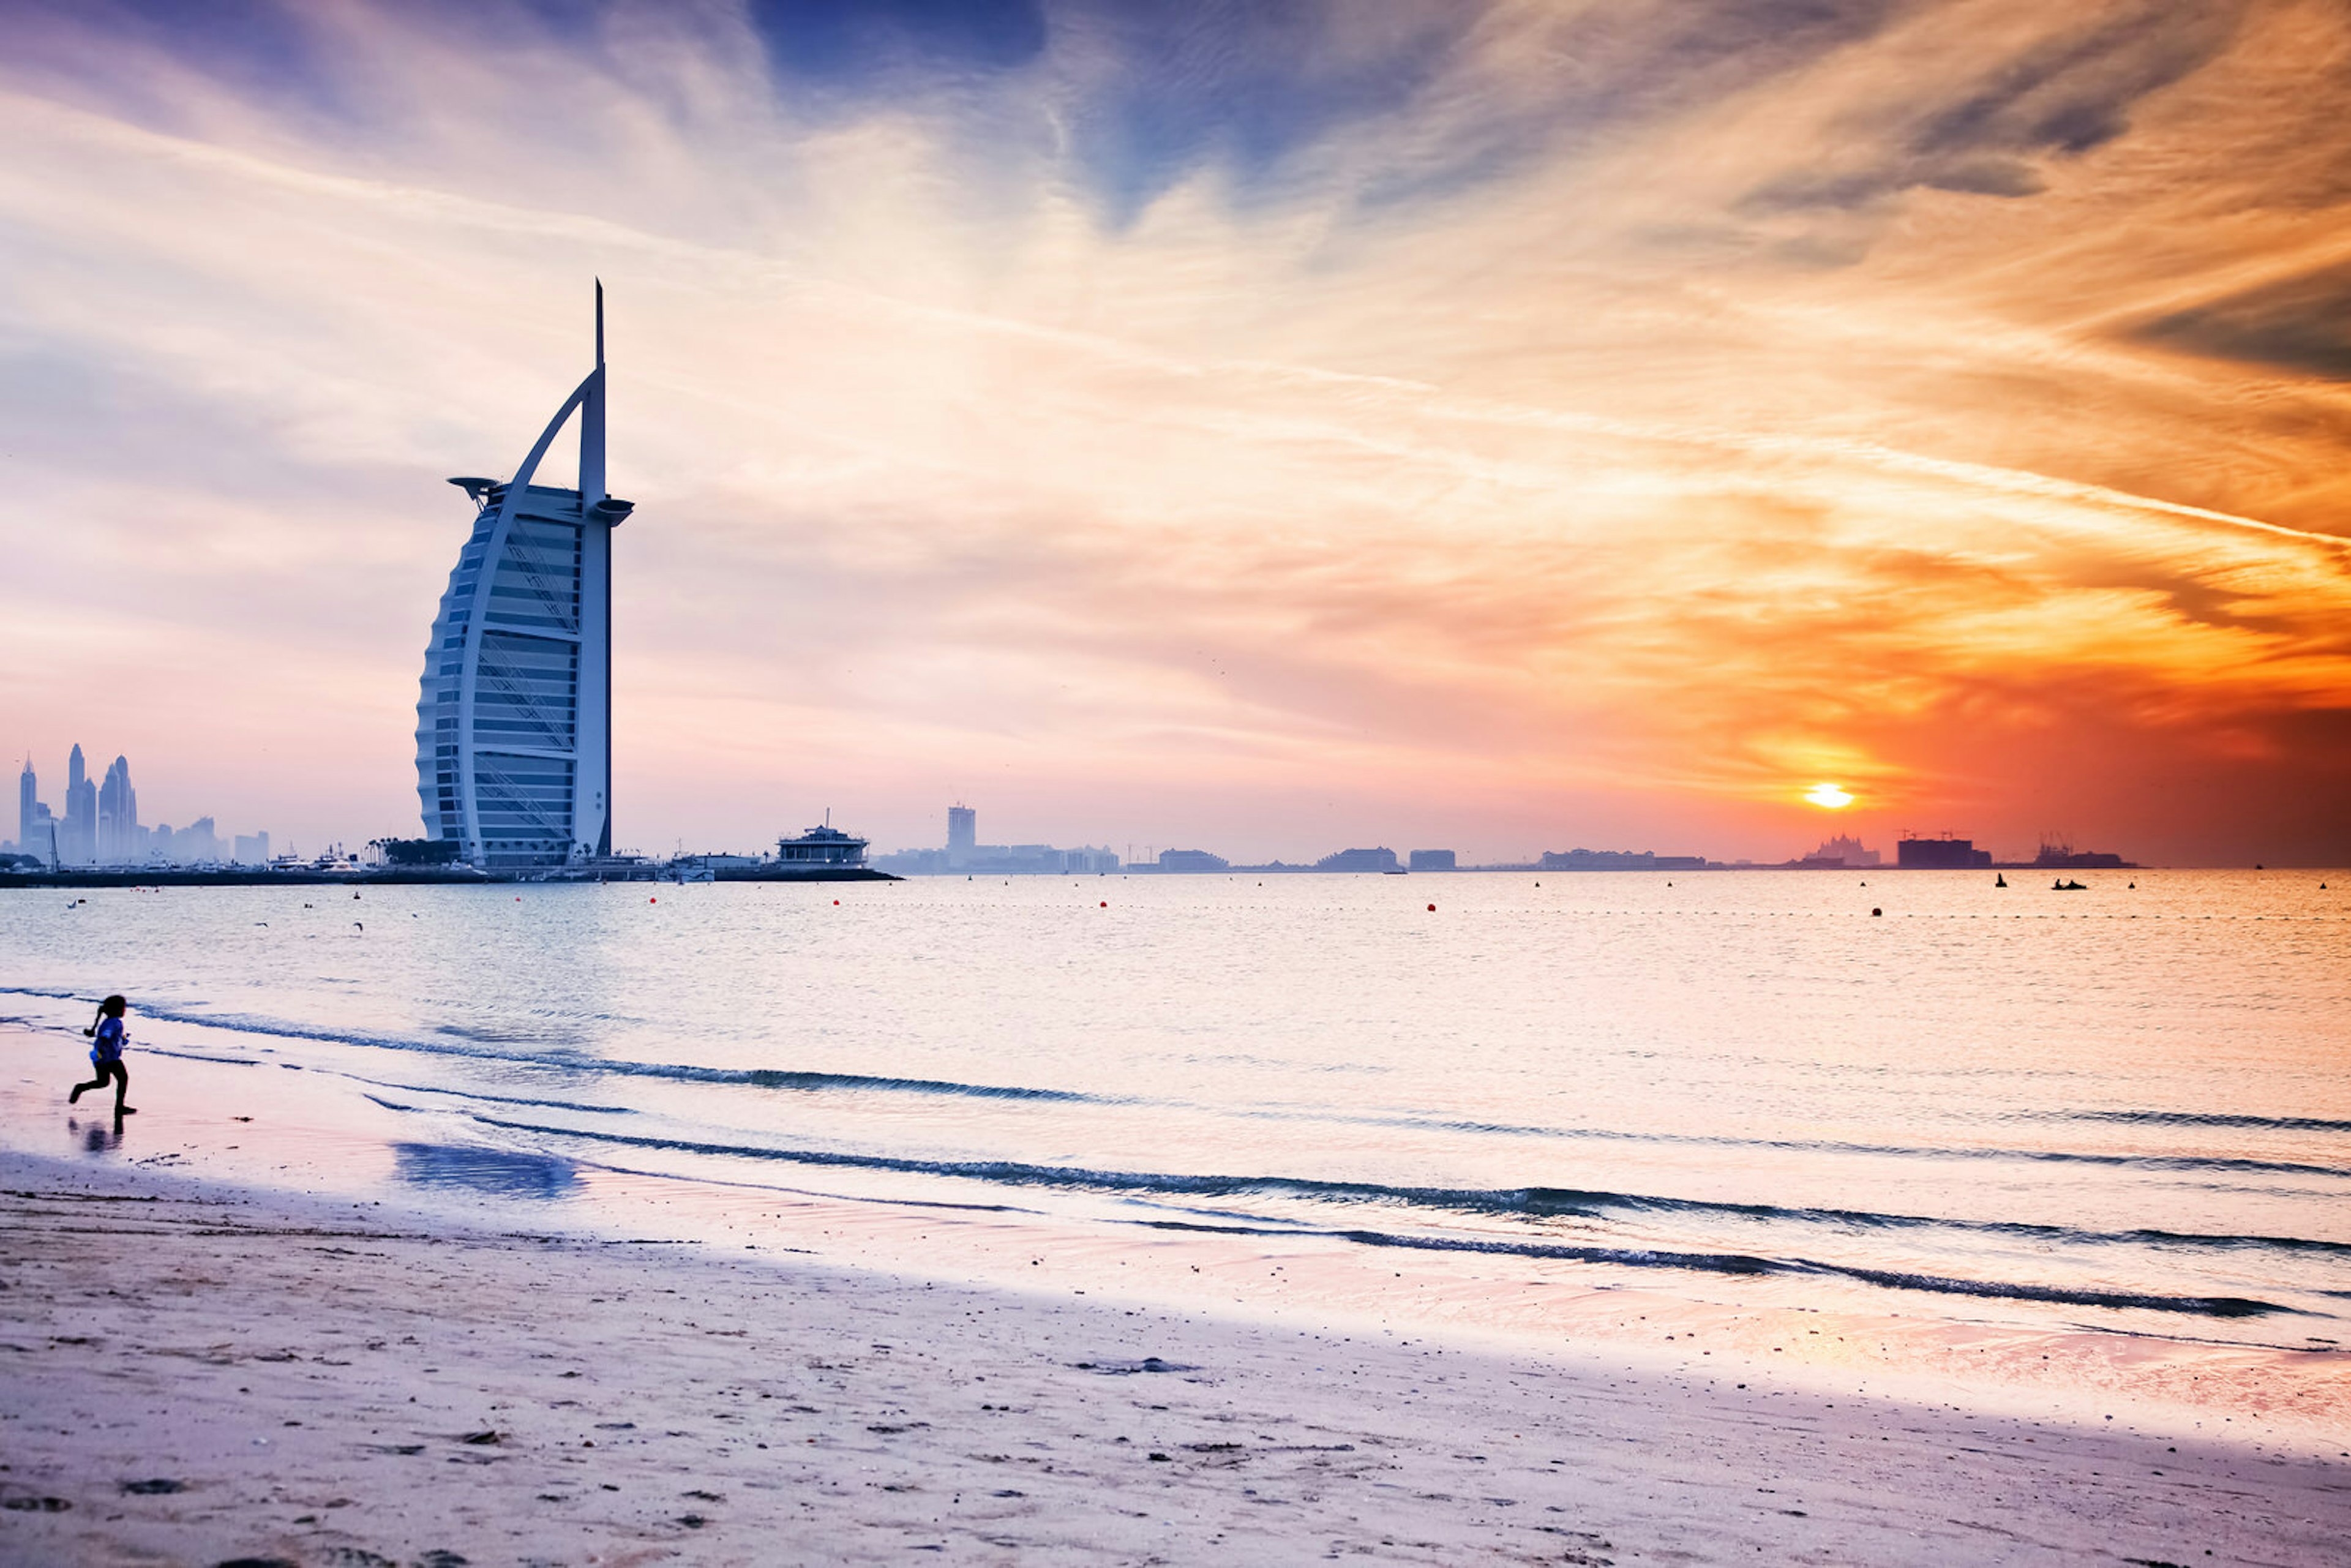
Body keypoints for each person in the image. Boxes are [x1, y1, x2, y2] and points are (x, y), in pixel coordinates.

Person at [69, 994, 135, 1118]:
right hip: (110, 1058)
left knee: (103, 1082)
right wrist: (103, 1049)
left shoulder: (108, 1022)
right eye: (123, 1008)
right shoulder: (115, 1023)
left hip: (100, 1058)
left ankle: (80, 1088)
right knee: (123, 1079)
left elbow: (110, 1037)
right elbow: (106, 1036)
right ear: (118, 1009)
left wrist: (123, 1039)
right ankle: (119, 1107)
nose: (124, 1010)